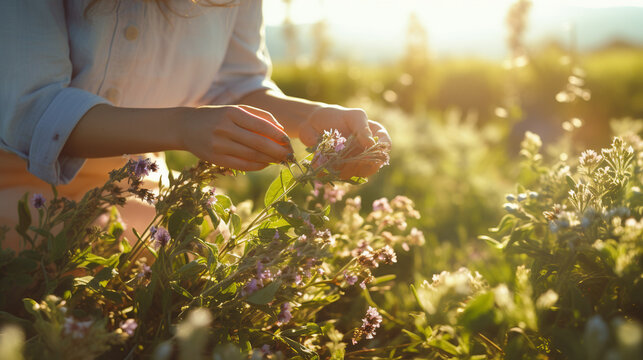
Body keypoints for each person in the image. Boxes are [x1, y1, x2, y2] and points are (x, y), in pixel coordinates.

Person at [0, 0, 391, 249]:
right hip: (14, 183)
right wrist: (184, 127)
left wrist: (311, 117)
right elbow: (34, 112)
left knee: (211, 257)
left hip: (139, 185)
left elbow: (236, 83)